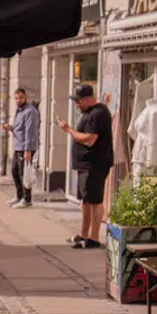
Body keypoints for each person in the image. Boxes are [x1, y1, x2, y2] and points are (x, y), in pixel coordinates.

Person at [58, 85, 113, 248]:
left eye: (79, 101)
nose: (77, 104)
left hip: (94, 164)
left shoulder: (98, 113)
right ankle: (84, 234)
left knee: (95, 201)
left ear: (88, 98)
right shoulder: (90, 113)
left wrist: (68, 129)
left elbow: (90, 139)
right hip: (86, 165)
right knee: (86, 201)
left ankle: (94, 238)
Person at [2, 89, 39, 208]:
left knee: (24, 174)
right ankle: (19, 196)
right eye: (16, 98)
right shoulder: (19, 111)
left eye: (21, 97)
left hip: (25, 147)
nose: (19, 100)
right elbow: (20, 129)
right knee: (15, 171)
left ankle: (27, 200)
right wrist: (11, 128)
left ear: (26, 97)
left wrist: (27, 150)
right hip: (18, 146)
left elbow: (30, 131)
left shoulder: (30, 111)